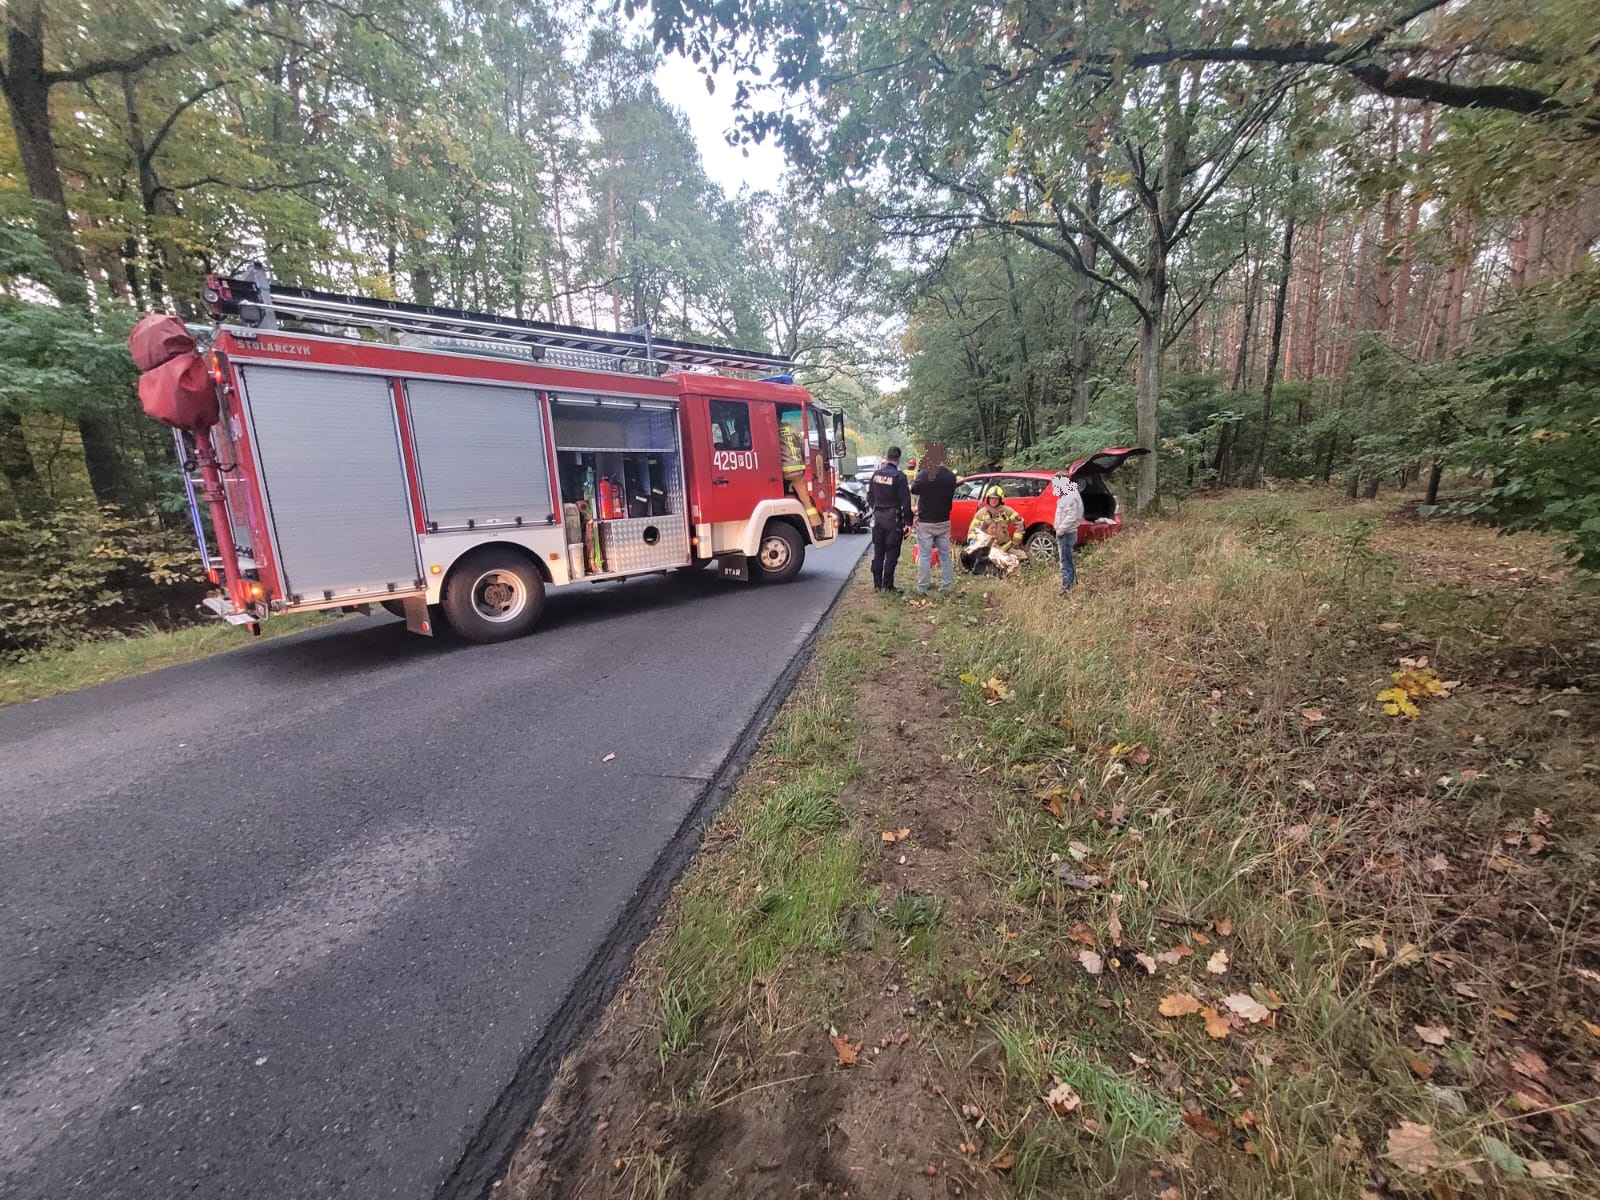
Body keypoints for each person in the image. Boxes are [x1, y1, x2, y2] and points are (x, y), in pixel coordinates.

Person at [910, 442, 958, 595]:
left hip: (926, 522)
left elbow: (914, 489)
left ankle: (922, 588)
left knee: (925, 555)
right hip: (944, 521)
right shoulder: (951, 476)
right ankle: (946, 586)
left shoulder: (924, 475)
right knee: (945, 555)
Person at [866, 445, 913, 591]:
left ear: (887, 457)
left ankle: (877, 584)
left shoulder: (876, 475)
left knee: (878, 550)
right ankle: (888, 585)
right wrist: (908, 522)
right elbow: (906, 501)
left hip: (878, 517)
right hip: (893, 518)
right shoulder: (899, 476)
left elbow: (869, 496)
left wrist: (876, 507)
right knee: (892, 551)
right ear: (898, 459)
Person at [778, 408, 824, 537]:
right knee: (806, 500)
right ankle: (816, 526)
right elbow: (803, 446)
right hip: (796, 469)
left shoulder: (770, 430)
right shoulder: (792, 429)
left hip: (780, 471)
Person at [961, 485, 1023, 575]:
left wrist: (1016, 542)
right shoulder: (980, 513)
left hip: (1005, 547)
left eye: (996, 499)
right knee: (968, 556)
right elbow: (972, 529)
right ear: (988, 499)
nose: (994, 501)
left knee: (1023, 558)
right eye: (992, 498)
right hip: (987, 548)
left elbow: (1020, 523)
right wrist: (972, 540)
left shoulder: (1007, 511)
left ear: (1000, 500)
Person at [1051, 467, 1085, 595]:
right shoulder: (1067, 494)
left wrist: (1061, 529)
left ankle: (1067, 588)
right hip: (1066, 532)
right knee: (1067, 560)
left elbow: (1071, 516)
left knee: (1065, 561)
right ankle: (1071, 584)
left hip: (1067, 533)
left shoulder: (1070, 496)